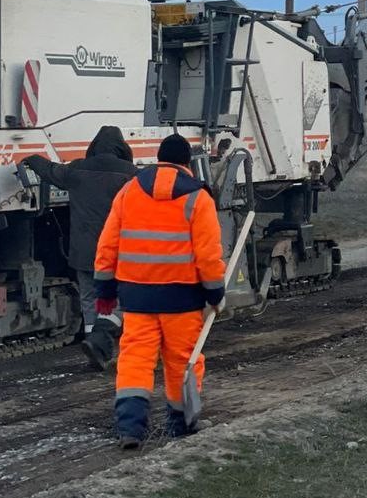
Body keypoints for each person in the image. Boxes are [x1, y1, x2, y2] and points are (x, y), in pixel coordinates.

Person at [93, 134, 226, 448]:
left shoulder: (129, 191)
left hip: (136, 297)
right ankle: (181, 425)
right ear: (187, 163)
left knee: (135, 360)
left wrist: (105, 287)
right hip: (183, 299)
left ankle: (130, 429)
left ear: (158, 157)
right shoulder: (198, 198)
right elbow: (208, 254)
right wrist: (215, 292)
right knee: (182, 361)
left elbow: (108, 242)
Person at [22, 126, 136, 371]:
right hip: (117, 251)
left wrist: (31, 159)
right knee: (115, 301)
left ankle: (94, 350)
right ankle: (99, 343)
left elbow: (50, 171)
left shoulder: (77, 170)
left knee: (89, 299)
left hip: (83, 252)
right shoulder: (131, 175)